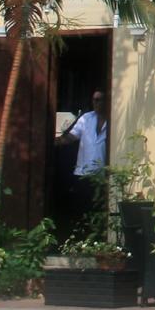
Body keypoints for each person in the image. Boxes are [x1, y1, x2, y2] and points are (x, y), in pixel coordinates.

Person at [59, 91, 108, 219]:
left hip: (102, 175)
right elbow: (72, 136)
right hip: (83, 174)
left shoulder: (113, 120)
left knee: (99, 212)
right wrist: (58, 138)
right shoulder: (86, 118)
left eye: (99, 100)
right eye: (94, 100)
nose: (96, 103)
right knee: (82, 212)